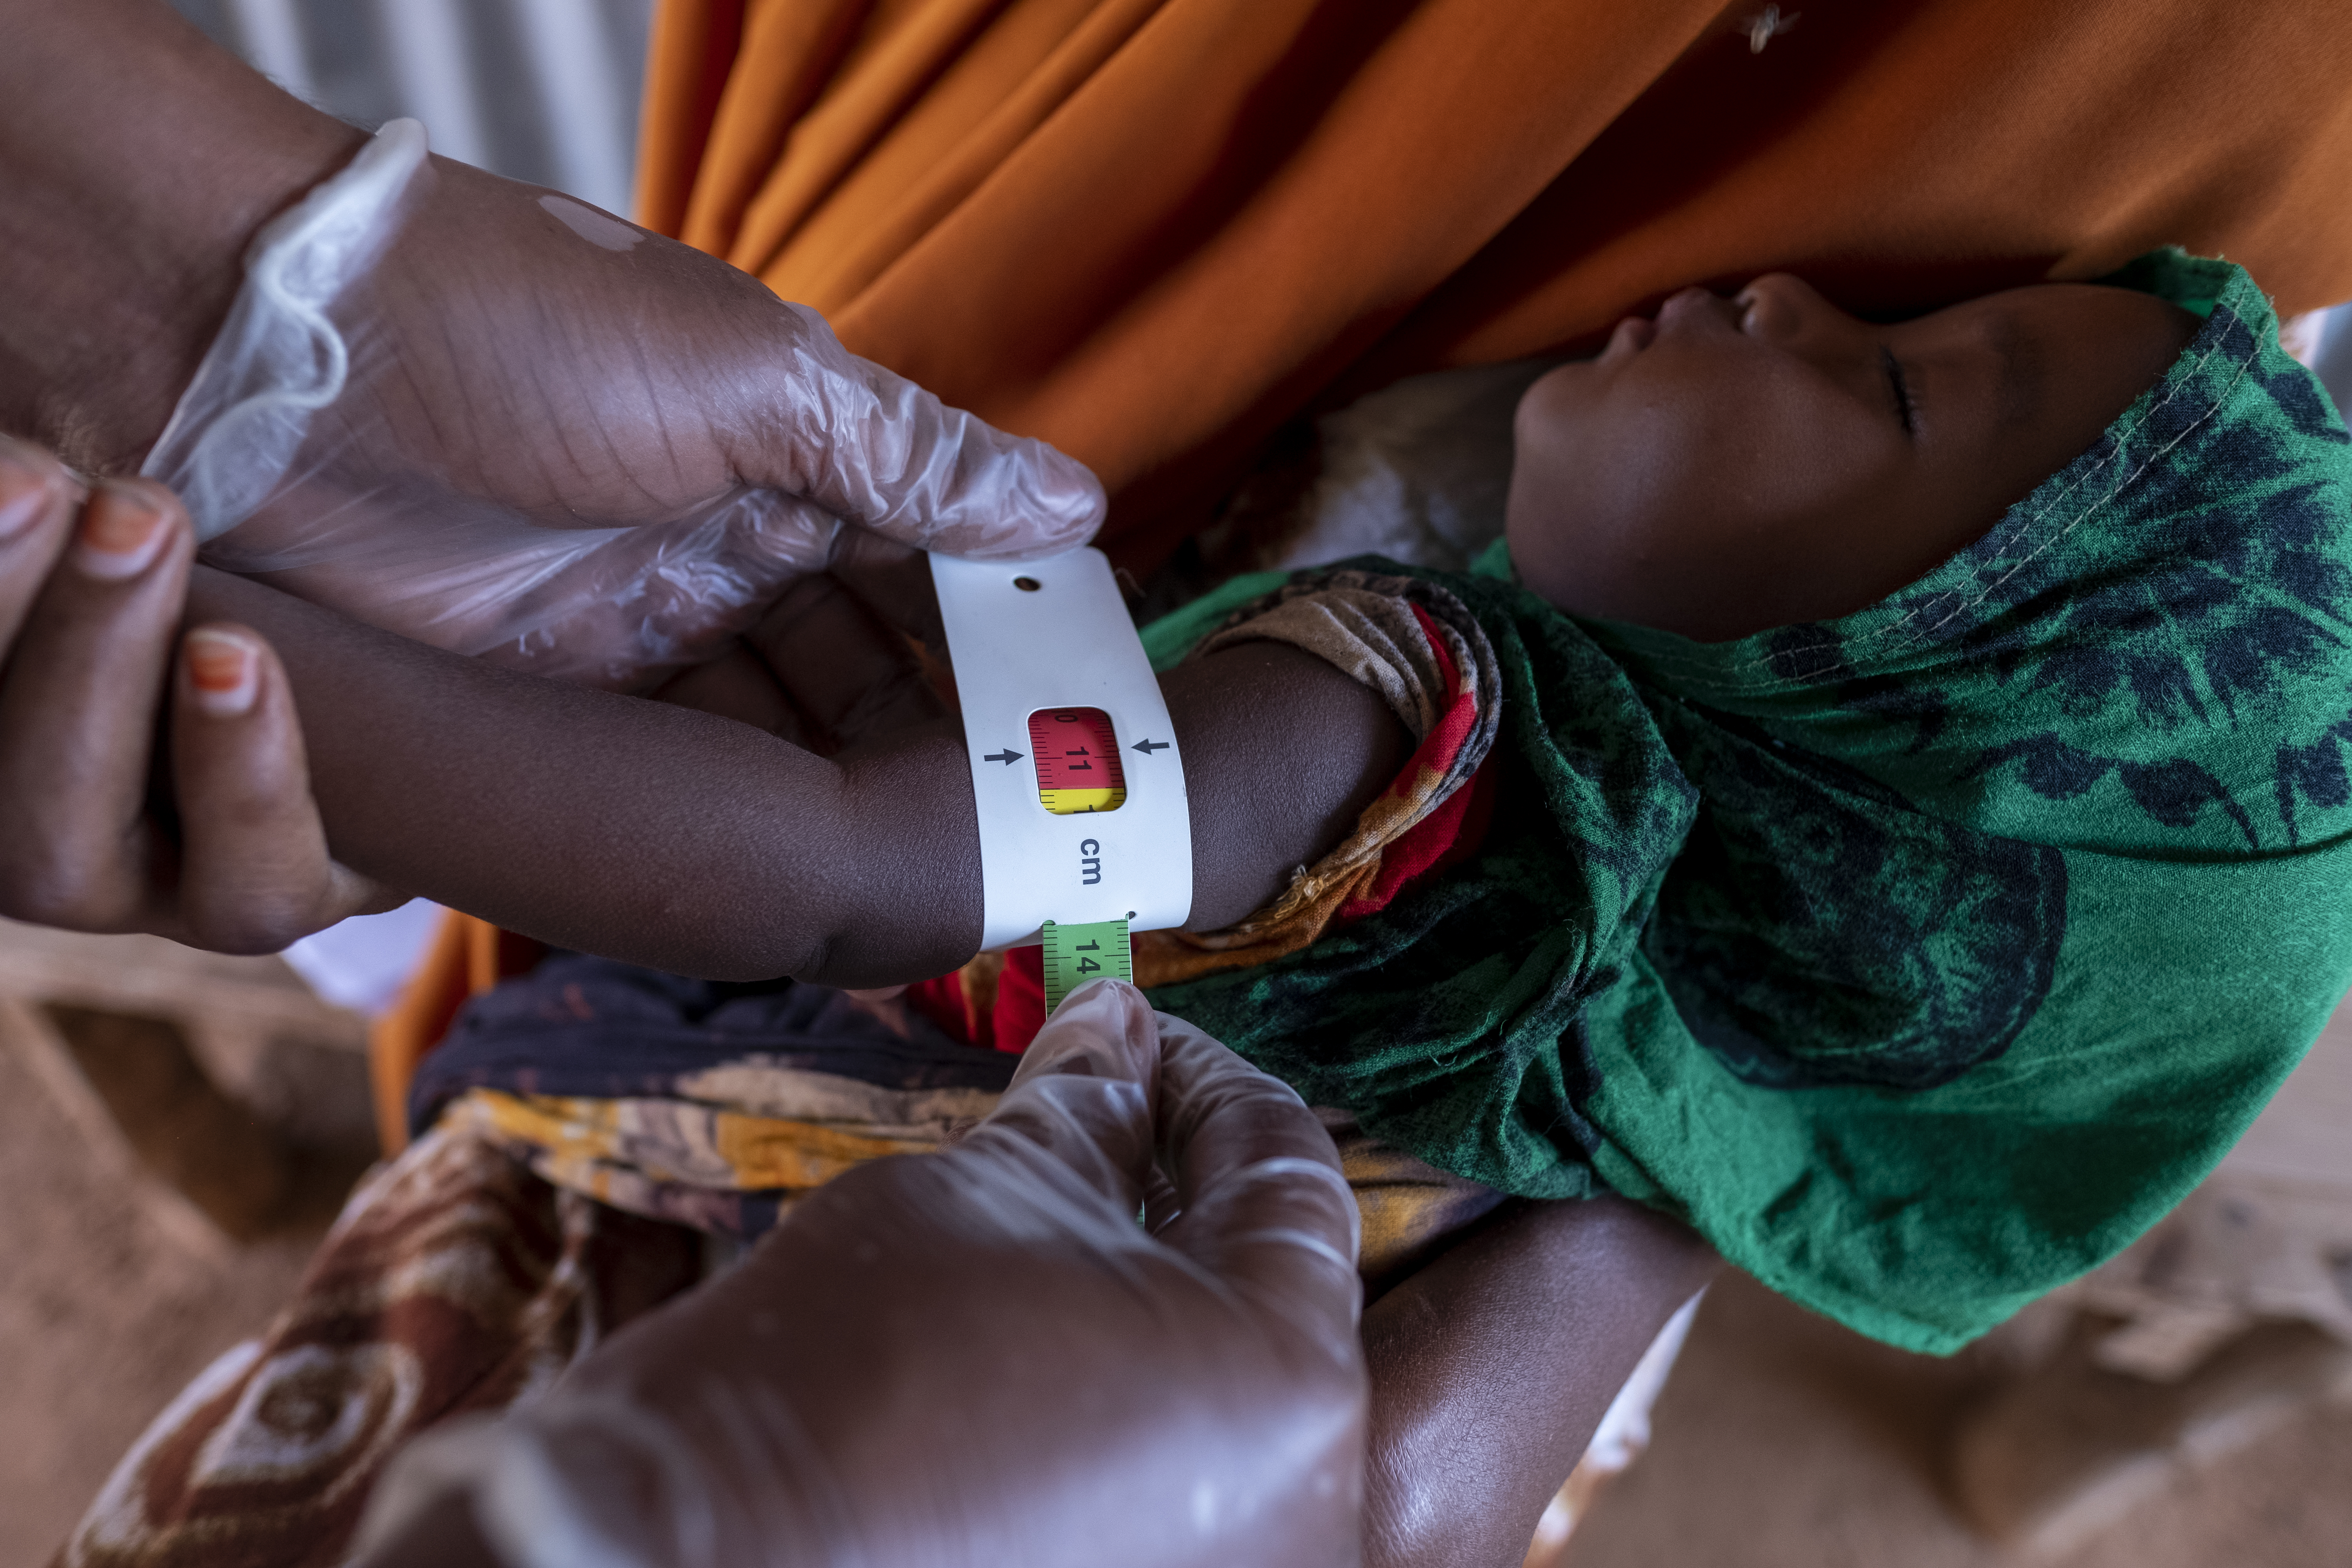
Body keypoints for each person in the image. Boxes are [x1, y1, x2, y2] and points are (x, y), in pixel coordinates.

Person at [27, 239, 2339, 1367]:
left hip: (672, 1326)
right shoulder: (1655, 1116)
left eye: (1906, 391)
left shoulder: (1406, 725)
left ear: (1886, 749)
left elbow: (840, 861)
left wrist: (144, 610)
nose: (1790, 294)